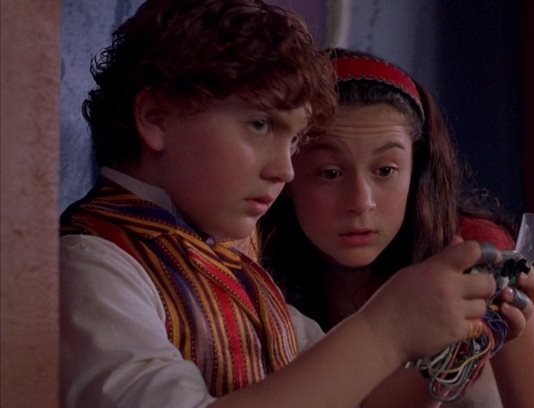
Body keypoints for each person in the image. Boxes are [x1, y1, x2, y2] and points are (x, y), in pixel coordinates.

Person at [58, 2, 504, 407]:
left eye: (293, 142)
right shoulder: (90, 262)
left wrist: (460, 340)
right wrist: (386, 330)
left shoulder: (237, 271)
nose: (285, 170)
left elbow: (358, 399)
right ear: (155, 118)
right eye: (259, 125)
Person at [256, 48, 534, 407]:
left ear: (416, 170)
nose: (361, 201)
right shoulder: (253, 265)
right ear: (286, 173)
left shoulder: (473, 253)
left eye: (386, 170)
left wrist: (467, 342)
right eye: (330, 173)